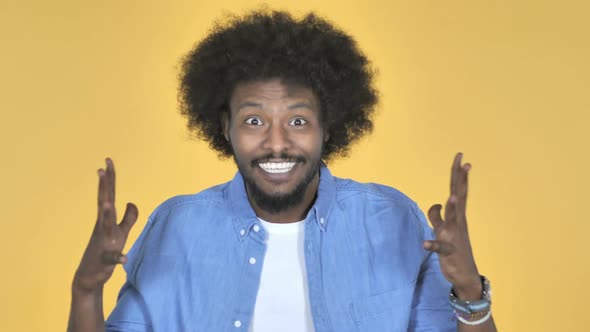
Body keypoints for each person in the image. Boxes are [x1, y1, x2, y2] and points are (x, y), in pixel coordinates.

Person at [68, 9, 497, 332]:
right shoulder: (176, 225)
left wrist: (470, 292)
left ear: (327, 126)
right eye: (254, 121)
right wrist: (86, 292)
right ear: (225, 127)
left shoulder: (393, 220)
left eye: (297, 121)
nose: (276, 143)